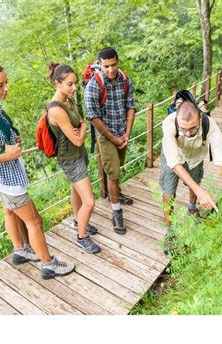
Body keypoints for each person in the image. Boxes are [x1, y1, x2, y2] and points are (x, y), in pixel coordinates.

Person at [0, 60, 74, 279]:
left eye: (6, 83)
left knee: (9, 211)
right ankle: (48, 264)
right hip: (8, 179)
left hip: (1, 179)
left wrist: (11, 138)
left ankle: (20, 250)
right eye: (0, 85)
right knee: (34, 221)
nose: (6, 89)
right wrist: (8, 155)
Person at [160, 99, 222, 244]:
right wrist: (201, 192)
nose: (187, 133)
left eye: (192, 128)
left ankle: (192, 208)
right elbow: (175, 164)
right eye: (183, 129)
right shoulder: (169, 123)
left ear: (200, 116)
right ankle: (169, 231)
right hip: (173, 157)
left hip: (196, 156)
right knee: (168, 193)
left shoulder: (210, 125)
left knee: (195, 182)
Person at [46, 63, 101, 254]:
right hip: (70, 158)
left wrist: (82, 128)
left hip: (79, 154)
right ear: (57, 83)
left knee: (76, 191)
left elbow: (80, 125)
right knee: (90, 201)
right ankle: (82, 236)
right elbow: (78, 139)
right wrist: (84, 128)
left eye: (75, 83)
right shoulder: (56, 110)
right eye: (70, 84)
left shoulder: (69, 101)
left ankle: (79, 220)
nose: (74, 88)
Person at [84, 47, 136, 235]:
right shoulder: (94, 85)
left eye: (113, 65)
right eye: (106, 66)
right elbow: (93, 116)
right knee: (113, 173)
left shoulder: (125, 80)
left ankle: (115, 193)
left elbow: (131, 105)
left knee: (116, 168)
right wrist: (113, 138)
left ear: (118, 62)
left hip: (122, 131)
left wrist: (127, 134)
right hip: (106, 135)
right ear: (100, 64)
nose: (110, 70)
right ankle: (116, 212)